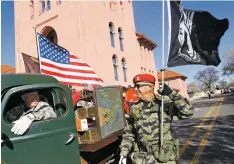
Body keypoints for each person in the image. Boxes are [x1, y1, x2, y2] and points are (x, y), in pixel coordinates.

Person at [119, 74, 194, 164]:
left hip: (164, 157)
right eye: (135, 86)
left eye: (138, 86)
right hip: (143, 159)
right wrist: (123, 153)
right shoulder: (134, 108)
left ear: (150, 87)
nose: (135, 89)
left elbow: (188, 112)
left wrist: (172, 94)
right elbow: (129, 133)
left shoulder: (164, 103)